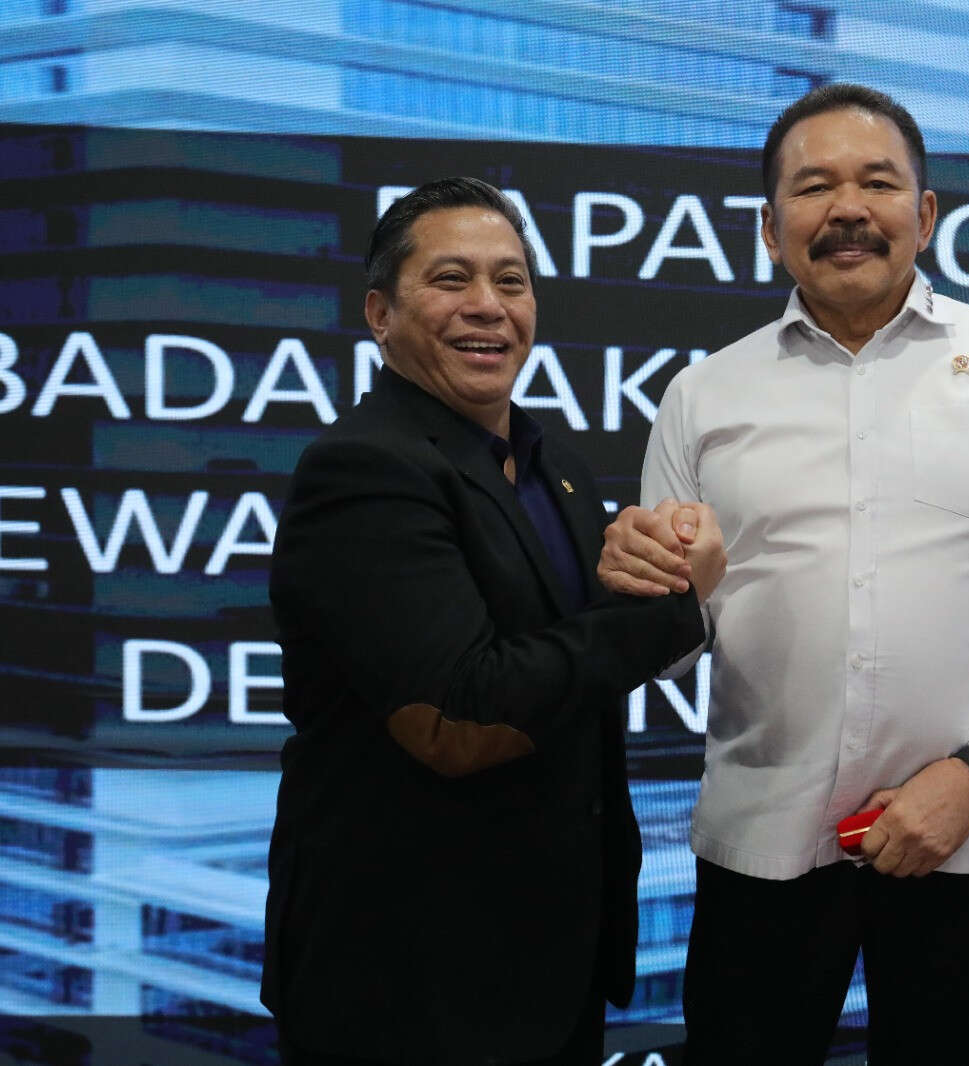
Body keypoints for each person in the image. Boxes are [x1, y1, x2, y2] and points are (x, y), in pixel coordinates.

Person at [599, 85, 969, 1063]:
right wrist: (645, 589)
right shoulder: (702, 394)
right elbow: (666, 649)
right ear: (771, 228)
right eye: (812, 187)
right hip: (764, 838)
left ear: (924, 214)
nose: (846, 207)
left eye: (877, 182)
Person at [262, 177, 725, 1066]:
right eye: (450, 279)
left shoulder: (556, 463)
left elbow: (576, 644)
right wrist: (678, 608)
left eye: (511, 281)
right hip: (407, 983)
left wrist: (650, 552)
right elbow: (461, 719)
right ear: (379, 313)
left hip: (550, 968)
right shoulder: (364, 469)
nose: (488, 307)